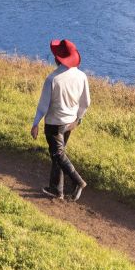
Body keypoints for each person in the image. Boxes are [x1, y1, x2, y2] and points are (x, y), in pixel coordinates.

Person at [30, 39, 90, 201]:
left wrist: (35, 123)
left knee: (57, 154)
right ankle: (57, 190)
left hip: (54, 123)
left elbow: (43, 105)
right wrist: (78, 119)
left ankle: (77, 181)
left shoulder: (53, 79)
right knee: (58, 155)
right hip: (70, 122)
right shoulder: (81, 76)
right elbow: (86, 103)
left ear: (57, 58)